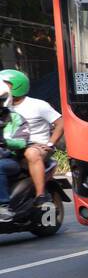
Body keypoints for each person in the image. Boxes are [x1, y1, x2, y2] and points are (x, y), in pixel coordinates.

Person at [0, 69, 56, 207]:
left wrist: (50, 143)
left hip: (36, 146)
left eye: (8, 84)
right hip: (17, 149)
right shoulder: (8, 110)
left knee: (30, 153)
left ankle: (40, 195)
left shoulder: (34, 106)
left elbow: (60, 123)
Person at [0, 83, 31, 223]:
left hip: (11, 159)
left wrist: (5, 141)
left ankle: (3, 206)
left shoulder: (15, 118)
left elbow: (22, 142)